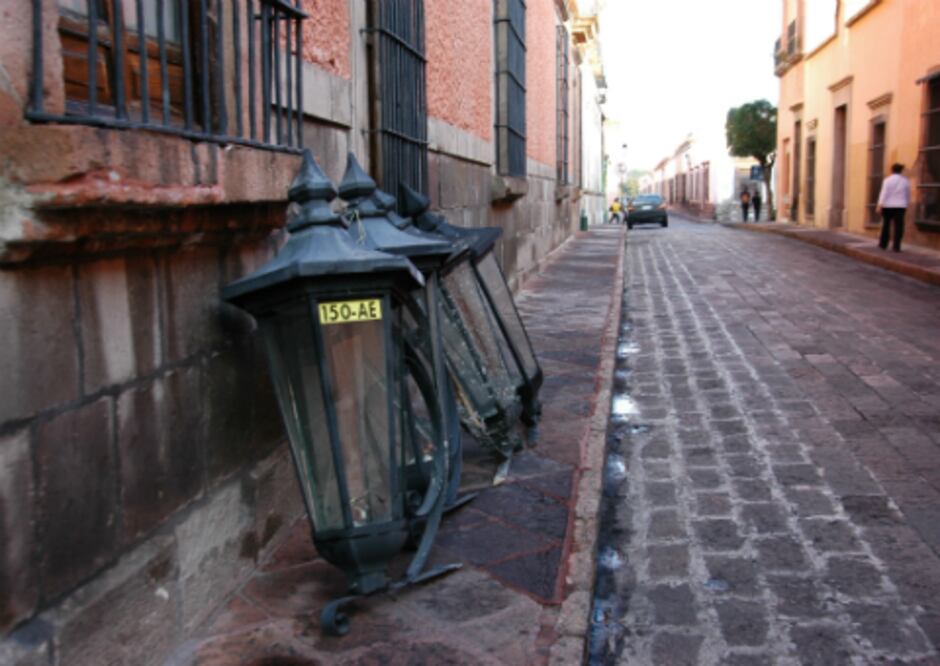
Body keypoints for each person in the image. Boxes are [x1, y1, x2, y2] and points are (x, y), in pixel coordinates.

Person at [876, 163, 911, 252]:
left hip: (888, 206)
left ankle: (883, 244)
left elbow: (884, 193)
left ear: (892, 170)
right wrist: (907, 204)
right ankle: (896, 246)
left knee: (886, 225)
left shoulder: (887, 180)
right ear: (901, 171)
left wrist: (880, 205)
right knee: (899, 226)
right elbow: (908, 194)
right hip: (900, 206)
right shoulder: (905, 181)